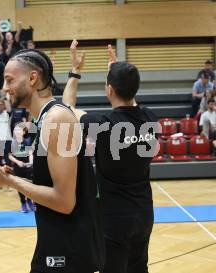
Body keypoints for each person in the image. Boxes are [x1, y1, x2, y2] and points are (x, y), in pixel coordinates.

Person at [0, 48, 104, 272]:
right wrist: (5, 178)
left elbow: (64, 201)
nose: (4, 88)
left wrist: (10, 181)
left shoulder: (56, 119)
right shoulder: (47, 118)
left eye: (9, 80)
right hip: (59, 244)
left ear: (33, 78)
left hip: (69, 252)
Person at [64, 40, 160, 273]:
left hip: (114, 218)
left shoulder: (102, 125)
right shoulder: (150, 118)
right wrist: (118, 71)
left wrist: (75, 71)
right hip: (144, 213)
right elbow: (131, 100)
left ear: (109, 90)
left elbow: (66, 108)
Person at [9, 125, 34, 213]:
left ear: (24, 132)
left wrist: (30, 162)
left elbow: (30, 153)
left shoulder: (27, 141)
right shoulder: (12, 143)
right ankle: (23, 203)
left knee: (29, 185)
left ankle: (30, 201)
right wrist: (17, 162)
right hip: (18, 168)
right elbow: (9, 155)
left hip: (27, 167)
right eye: (16, 130)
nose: (17, 132)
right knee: (20, 186)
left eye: (20, 130)